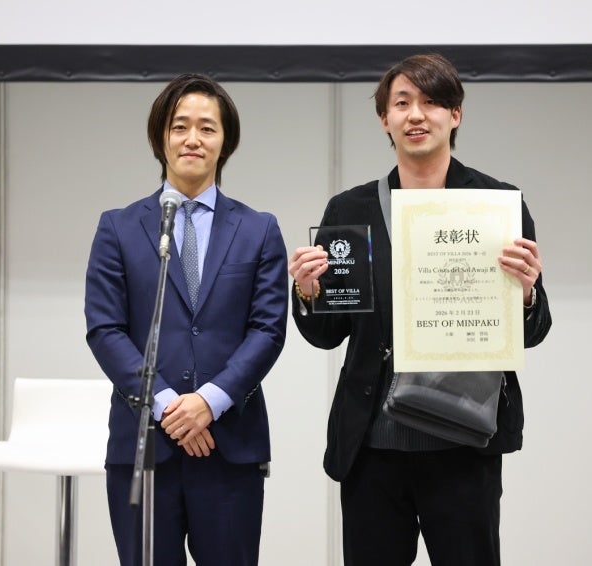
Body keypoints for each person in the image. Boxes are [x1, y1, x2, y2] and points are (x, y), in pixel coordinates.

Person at [289, 54, 552, 565]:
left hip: (464, 441)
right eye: (402, 103)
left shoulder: (497, 203)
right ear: (383, 119)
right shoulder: (351, 209)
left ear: (456, 114)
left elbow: (534, 330)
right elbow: (327, 334)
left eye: (432, 102)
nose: (416, 115)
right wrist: (308, 292)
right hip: (371, 444)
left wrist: (525, 294)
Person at [85, 74, 288, 566]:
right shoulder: (118, 227)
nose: (193, 139)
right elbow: (105, 329)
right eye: (180, 127)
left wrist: (209, 403)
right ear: (161, 138)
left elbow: (267, 330)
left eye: (207, 128)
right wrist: (169, 407)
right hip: (144, 447)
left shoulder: (259, 229)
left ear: (225, 142)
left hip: (229, 444)